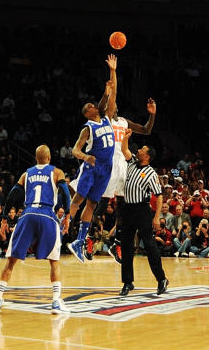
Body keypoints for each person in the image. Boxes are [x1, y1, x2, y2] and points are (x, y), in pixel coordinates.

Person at [0, 144, 70, 316]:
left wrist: (4, 218)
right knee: (54, 261)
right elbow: (64, 192)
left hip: (27, 214)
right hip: (47, 215)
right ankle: (56, 301)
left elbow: (12, 195)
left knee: (11, 261)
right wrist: (68, 214)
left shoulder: (26, 174)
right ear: (49, 158)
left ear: (36, 158)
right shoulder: (57, 172)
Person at [66, 54, 118, 261]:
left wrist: (113, 71)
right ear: (87, 113)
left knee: (92, 205)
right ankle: (63, 227)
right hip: (92, 166)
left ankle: (79, 241)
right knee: (78, 199)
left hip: (107, 167)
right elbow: (75, 150)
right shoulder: (88, 127)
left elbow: (111, 95)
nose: (94, 106)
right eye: (90, 107)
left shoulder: (106, 118)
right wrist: (86, 157)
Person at [116, 138, 168, 297]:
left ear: (147, 155)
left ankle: (161, 279)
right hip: (128, 209)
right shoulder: (131, 162)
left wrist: (156, 217)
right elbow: (124, 149)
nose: (138, 150)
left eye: (142, 149)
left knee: (150, 245)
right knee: (126, 246)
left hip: (142, 210)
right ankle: (127, 282)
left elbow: (158, 196)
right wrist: (125, 137)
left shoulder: (151, 173)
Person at [104, 95, 157, 204]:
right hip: (108, 160)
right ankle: (94, 219)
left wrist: (152, 115)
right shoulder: (104, 121)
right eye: (108, 104)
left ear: (116, 108)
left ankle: (120, 221)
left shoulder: (124, 122)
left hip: (123, 161)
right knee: (103, 198)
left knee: (122, 199)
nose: (110, 104)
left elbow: (146, 130)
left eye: (113, 103)